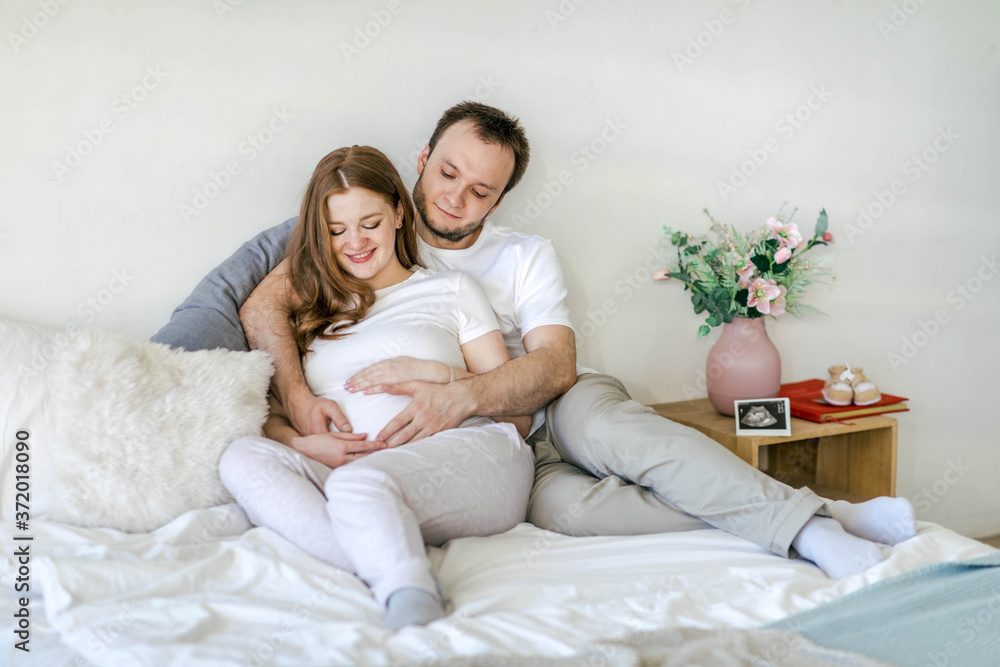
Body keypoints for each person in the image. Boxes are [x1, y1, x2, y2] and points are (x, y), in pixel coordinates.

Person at [158, 102, 915, 582]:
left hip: (548, 397)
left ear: (502, 197)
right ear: (421, 164)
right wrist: (293, 399)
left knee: (610, 426)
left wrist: (460, 393)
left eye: (480, 189)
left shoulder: (522, 256)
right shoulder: (367, 232)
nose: (456, 197)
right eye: (447, 172)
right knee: (573, 516)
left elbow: (553, 365)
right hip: (485, 448)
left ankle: (808, 535)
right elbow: (262, 298)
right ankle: (817, 511)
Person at [217, 145, 535, 629]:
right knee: (239, 457)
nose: (355, 242)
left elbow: (517, 411)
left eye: (370, 223)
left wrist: (437, 374)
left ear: (400, 215)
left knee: (359, 486)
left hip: (473, 455)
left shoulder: (450, 291)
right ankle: (380, 557)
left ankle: (411, 601)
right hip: (355, 473)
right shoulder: (313, 313)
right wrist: (303, 443)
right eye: (336, 230)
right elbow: (276, 418)